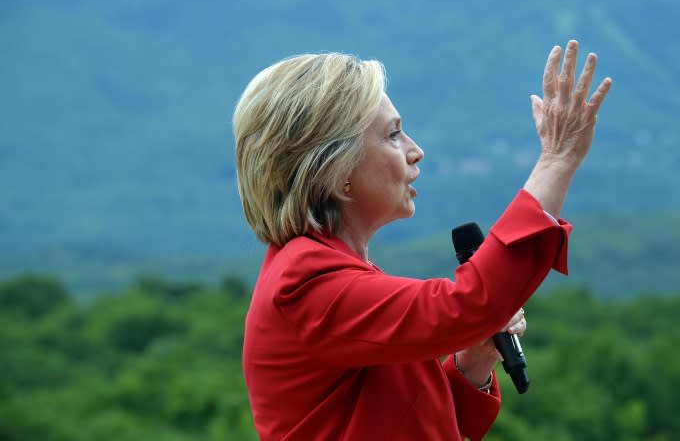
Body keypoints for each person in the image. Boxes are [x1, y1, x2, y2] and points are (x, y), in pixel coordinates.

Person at [233, 41, 612, 440]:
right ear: (336, 171)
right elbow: (468, 306)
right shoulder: (305, 282)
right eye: (393, 135)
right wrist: (557, 160)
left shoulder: (334, 275)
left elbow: (407, 419)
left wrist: (473, 360)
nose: (416, 151)